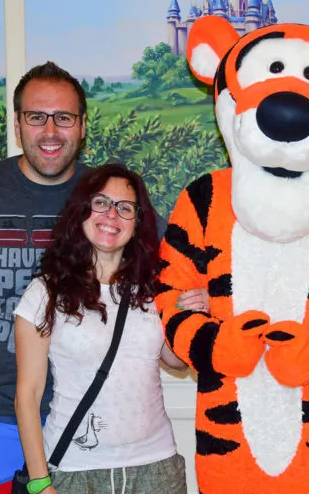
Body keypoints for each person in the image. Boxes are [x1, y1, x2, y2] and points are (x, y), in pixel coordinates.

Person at [0, 60, 199, 493]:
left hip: (82, 424)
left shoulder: (105, 200)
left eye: (63, 118)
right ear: (18, 123)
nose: (50, 131)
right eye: (36, 116)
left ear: (82, 126)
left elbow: (155, 296)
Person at [14, 164, 188, 494]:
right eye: (101, 203)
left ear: (137, 223)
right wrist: (39, 483)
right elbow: (28, 395)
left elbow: (176, 361)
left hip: (157, 469)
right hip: (76, 472)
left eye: (125, 208)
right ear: (82, 211)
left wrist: (192, 311)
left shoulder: (154, 289)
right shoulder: (45, 292)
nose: (112, 215)